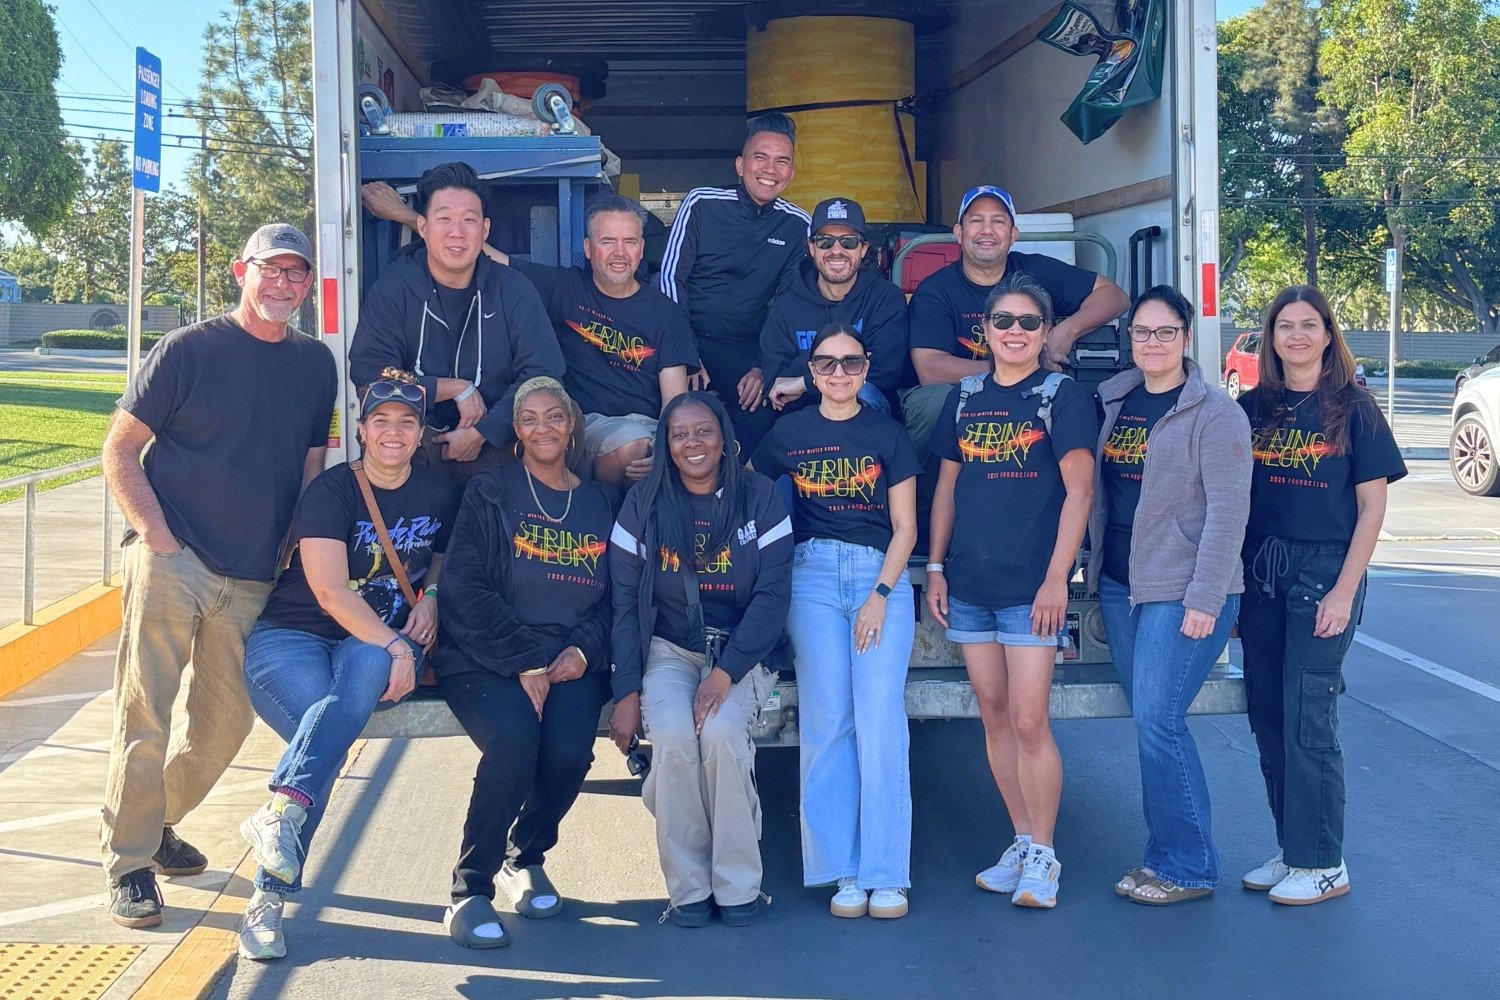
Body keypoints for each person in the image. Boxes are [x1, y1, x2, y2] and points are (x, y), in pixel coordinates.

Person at [99, 223, 337, 928]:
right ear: (241, 272)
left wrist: (297, 544)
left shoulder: (315, 363)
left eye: (296, 273)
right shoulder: (187, 350)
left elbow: (311, 462)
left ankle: (156, 821)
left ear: (307, 284)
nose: (283, 284)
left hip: (254, 574)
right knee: (145, 713)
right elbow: (119, 450)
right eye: (271, 269)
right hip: (173, 559)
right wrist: (158, 539)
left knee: (225, 725)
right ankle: (129, 862)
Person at [236, 370, 457, 959]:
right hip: (293, 636)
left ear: (421, 433)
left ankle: (277, 829)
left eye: (406, 422)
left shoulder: (439, 493)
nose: (393, 432)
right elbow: (331, 593)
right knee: (324, 740)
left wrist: (432, 598)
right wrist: (399, 647)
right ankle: (268, 891)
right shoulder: (331, 491)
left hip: (369, 642)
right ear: (361, 430)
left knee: (326, 731)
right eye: (380, 421)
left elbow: (439, 560)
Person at [924, 273, 1098, 910]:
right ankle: (1022, 841)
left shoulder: (1062, 398)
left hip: (1032, 588)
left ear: (1045, 332)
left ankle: (1045, 855)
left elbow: (1079, 492)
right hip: (970, 584)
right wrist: (935, 566)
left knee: (1029, 720)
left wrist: (1057, 579)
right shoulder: (964, 397)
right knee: (994, 716)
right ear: (985, 330)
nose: (1015, 332)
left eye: (1029, 322)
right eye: (1004, 321)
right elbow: (946, 487)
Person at [1236, 286, 1405, 906]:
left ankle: (1324, 862)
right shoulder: (1252, 408)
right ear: (1271, 337)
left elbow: (1372, 508)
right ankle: (1294, 849)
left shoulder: (1355, 408)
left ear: (1329, 335)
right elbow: (1234, 501)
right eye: (1285, 326)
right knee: (1267, 714)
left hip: (1323, 575)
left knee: (1309, 718)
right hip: (1263, 574)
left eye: (1310, 325)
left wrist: (1344, 590)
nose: (1297, 336)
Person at [434, 376, 616, 948]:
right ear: (516, 430)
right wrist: (525, 659)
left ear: (571, 426)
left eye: (554, 416)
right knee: (514, 743)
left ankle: (525, 856)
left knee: (568, 753)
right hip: (486, 655)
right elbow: (464, 588)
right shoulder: (490, 492)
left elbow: (618, 596)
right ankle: (470, 890)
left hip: (569, 659)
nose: (544, 428)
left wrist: (582, 650)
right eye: (530, 419)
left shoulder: (597, 502)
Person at [1085, 287, 1251, 905]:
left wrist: (1205, 599)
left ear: (1185, 337)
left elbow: (1229, 514)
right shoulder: (1115, 399)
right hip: (1121, 585)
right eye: (1141, 332)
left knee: (1160, 722)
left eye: (1164, 332)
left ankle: (1189, 866)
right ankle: (1163, 858)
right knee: (1150, 723)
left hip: (1184, 590)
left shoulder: (1216, 414)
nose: (1152, 343)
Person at [750, 324, 921, 920]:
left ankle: (886, 873)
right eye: (827, 364)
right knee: (827, 722)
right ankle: (841, 869)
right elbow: (747, 490)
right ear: (813, 373)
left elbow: (906, 527)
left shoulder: (887, 433)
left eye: (851, 363)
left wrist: (881, 594)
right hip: (812, 578)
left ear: (866, 368)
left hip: (879, 577)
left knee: (881, 722)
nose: (840, 373)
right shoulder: (789, 433)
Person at [607, 392, 793, 928]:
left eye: (704, 431)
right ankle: (688, 889)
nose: (693, 443)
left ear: (725, 439)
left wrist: (725, 672)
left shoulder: (759, 497)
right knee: (671, 736)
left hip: (741, 650)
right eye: (680, 433)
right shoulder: (643, 502)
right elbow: (625, 603)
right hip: (670, 648)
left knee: (722, 733)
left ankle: (738, 887)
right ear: (666, 443)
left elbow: (773, 597)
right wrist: (626, 692)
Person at [903, 185, 1127, 522]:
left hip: (1029, 394)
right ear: (959, 233)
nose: (987, 230)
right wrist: (1008, 371)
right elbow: (930, 369)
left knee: (1074, 397)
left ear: (1013, 234)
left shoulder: (1036, 272)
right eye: (976, 221)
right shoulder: (936, 289)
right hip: (964, 397)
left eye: (998, 221)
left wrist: (1064, 332)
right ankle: (924, 513)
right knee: (936, 401)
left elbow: (1115, 296)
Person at [349, 161, 565, 485]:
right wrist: (453, 388)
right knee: (385, 418)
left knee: (562, 412)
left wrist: (484, 431)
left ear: (485, 230)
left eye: (469, 220)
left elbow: (544, 371)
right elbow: (369, 371)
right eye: (445, 219)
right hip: (418, 447)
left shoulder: (513, 289)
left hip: (498, 447)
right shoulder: (393, 290)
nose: (457, 232)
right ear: (423, 227)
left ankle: (537, 511)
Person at [473, 195, 700, 489]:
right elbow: (495, 259)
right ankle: (602, 508)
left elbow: (674, 400)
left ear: (642, 249)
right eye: (608, 241)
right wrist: (421, 222)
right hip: (587, 427)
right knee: (632, 444)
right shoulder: (564, 287)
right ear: (588, 248)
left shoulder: (666, 312)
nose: (620, 252)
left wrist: (668, 447)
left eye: (630, 242)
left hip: (650, 429)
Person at [658, 114, 810, 454]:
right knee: (683, 419)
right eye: (761, 157)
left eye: (782, 161)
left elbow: (789, 303)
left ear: (791, 173)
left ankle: (739, 486)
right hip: (686, 338)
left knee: (763, 415)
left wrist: (762, 365)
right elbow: (670, 278)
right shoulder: (702, 202)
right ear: (740, 165)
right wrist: (686, 352)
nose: (770, 169)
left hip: (746, 350)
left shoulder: (798, 225)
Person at [761, 198, 912, 417]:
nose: (837, 250)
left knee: (866, 392)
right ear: (812, 248)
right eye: (825, 242)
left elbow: (883, 372)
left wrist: (804, 379)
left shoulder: (886, 298)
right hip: (804, 418)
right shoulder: (786, 306)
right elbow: (777, 384)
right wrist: (853, 360)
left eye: (848, 242)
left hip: (867, 419)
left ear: (863, 249)